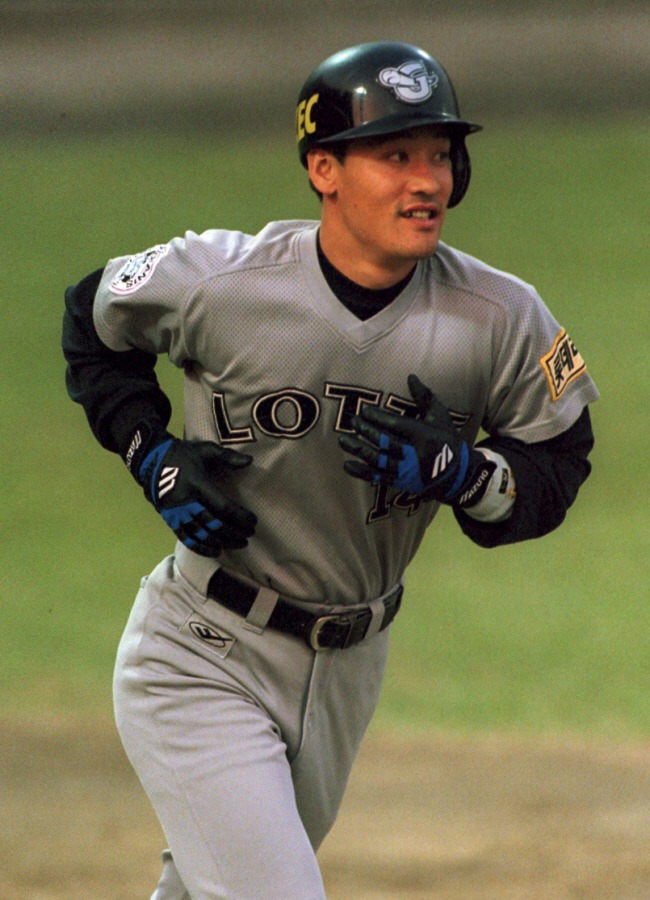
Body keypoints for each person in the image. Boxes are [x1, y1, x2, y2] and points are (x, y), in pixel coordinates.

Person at [62, 41, 598, 899]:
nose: (426, 182)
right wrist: (149, 452)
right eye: (396, 156)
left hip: (349, 668)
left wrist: (465, 474)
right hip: (201, 650)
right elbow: (91, 322)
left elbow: (558, 462)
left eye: (439, 156)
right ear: (324, 169)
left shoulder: (500, 317)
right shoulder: (223, 281)